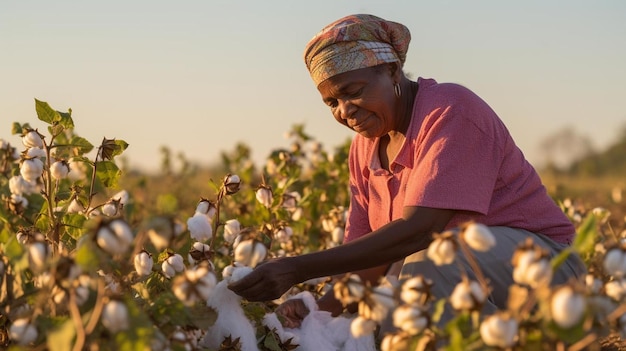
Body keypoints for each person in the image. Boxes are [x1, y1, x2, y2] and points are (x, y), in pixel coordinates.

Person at [228, 14, 585, 330]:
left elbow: (420, 231)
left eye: (353, 92)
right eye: (331, 102)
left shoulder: (450, 111)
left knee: (424, 270)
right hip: (461, 272)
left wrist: (296, 268)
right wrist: (318, 312)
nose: (344, 111)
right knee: (387, 307)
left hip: (546, 270)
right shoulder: (365, 148)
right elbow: (368, 262)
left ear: (393, 70)